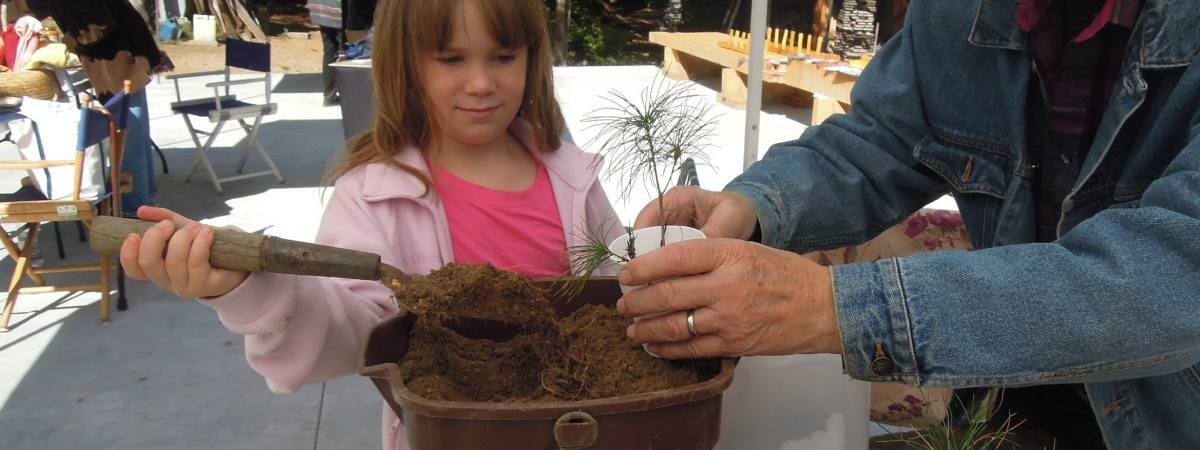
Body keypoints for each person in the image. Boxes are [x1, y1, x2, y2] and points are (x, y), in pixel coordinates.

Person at [615, 0, 1199, 448]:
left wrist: (831, 308)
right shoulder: (962, 12)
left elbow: (1175, 274)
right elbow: (882, 139)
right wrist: (756, 206)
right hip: (1014, 402)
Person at [117, 0, 623, 449]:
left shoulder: (572, 177)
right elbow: (347, 327)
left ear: (533, 57)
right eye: (451, 58)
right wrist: (248, 288)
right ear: (405, 64)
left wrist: (664, 257)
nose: (481, 83)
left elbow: (622, 294)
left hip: (583, 429)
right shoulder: (375, 195)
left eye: (503, 56)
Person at [25, 0, 169, 217]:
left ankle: (136, 210)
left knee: (127, 137)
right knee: (135, 134)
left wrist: (75, 42)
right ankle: (146, 200)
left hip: (120, 57)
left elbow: (101, 21)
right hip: (125, 51)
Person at [308, 0, 377, 105]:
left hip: (320, 9)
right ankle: (352, 95)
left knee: (329, 50)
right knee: (347, 53)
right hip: (338, 11)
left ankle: (329, 94)